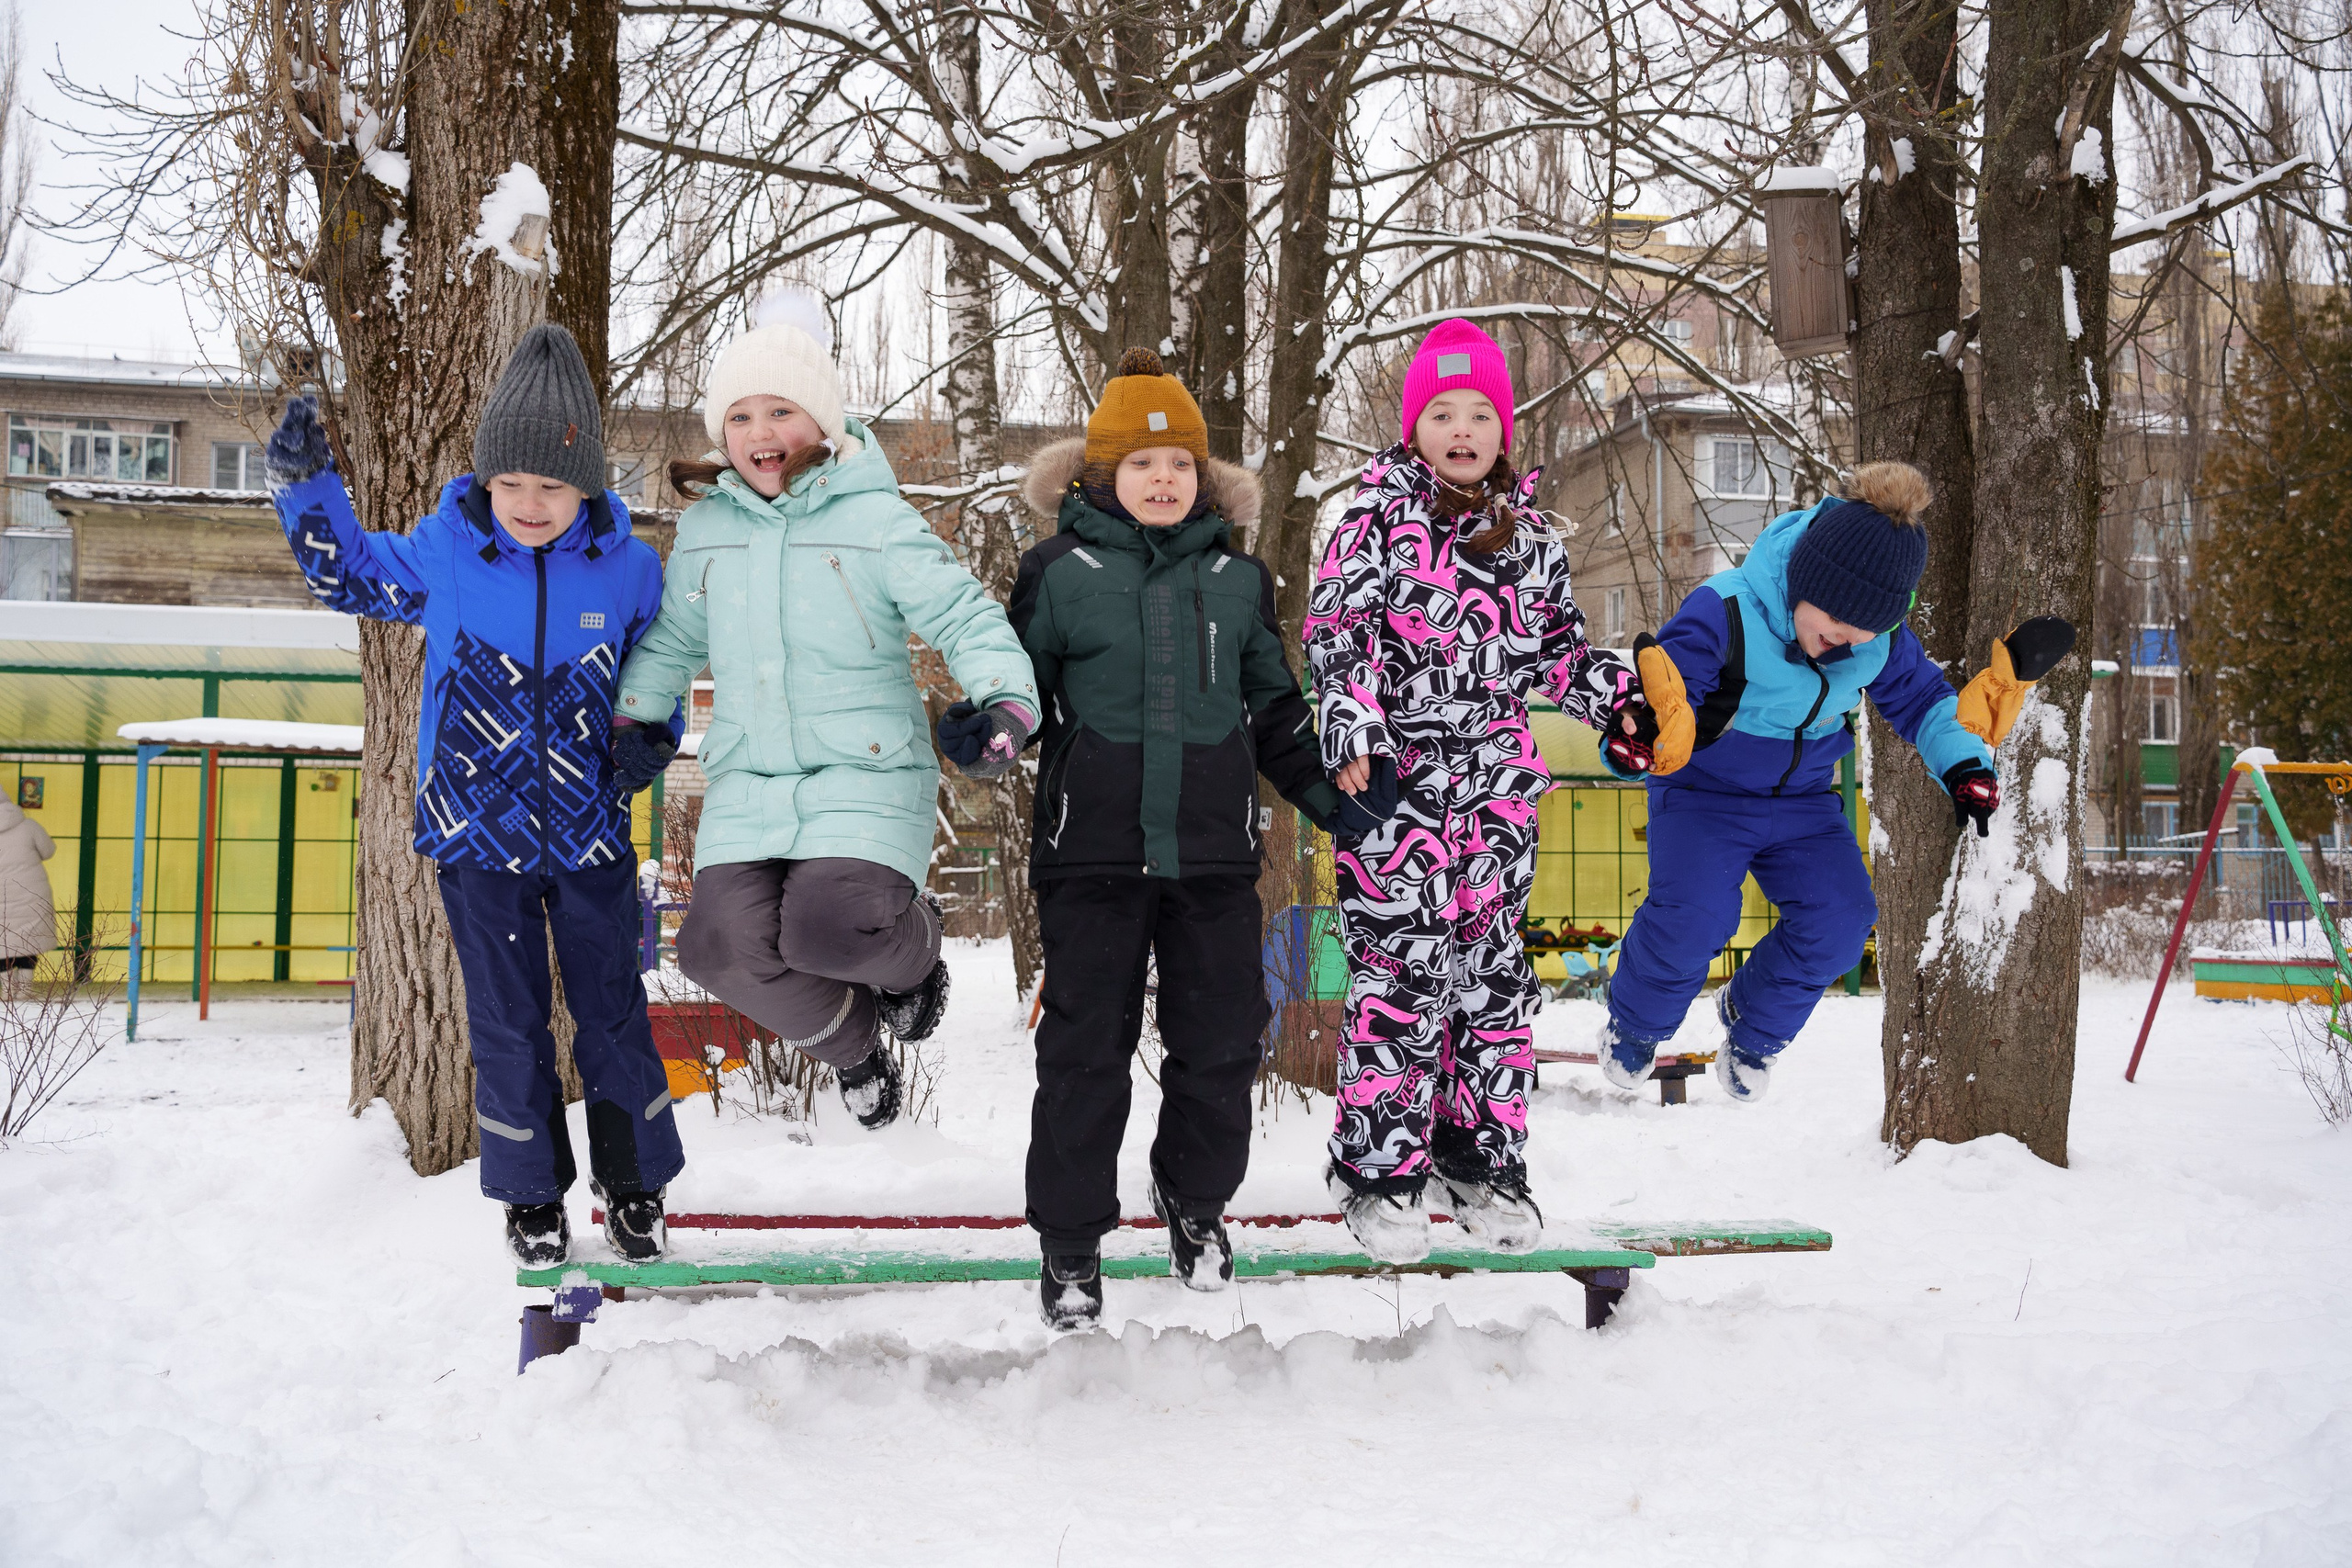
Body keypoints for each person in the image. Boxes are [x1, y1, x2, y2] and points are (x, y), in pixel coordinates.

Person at [266, 324, 684, 1268]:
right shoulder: (447, 552)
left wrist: (651, 736)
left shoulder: (629, 567)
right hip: (475, 836)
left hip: (590, 832)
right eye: (512, 483)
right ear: (487, 480)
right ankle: (530, 1197)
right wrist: (305, 486)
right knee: (507, 1018)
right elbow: (347, 576)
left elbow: (659, 668)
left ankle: (636, 1185)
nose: (530, 504)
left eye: (552, 486)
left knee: (613, 1011)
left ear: (588, 487)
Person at [613, 294, 1035, 1133]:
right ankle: (854, 1047)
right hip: (749, 778)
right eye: (740, 416)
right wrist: (634, 718)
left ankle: (914, 955)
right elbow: (673, 640)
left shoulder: (877, 520)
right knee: (713, 947)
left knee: (829, 928)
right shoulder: (707, 532)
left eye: (781, 410)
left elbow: (962, 614)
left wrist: (1005, 702)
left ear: (823, 420)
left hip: (866, 772)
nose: (760, 431)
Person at [1008, 346, 1350, 1330]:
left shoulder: (1238, 580)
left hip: (1211, 857)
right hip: (1091, 855)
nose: (1163, 479)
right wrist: (986, 729)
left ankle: (1194, 1204)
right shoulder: (1055, 573)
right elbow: (1015, 690)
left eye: (1180, 465)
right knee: (1084, 1054)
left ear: (1203, 477)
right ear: (1100, 475)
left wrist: (1331, 798)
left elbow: (1274, 709)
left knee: (1223, 1042)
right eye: (1141, 464)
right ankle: (1071, 1241)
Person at [1302, 318, 1650, 1266]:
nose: (1462, 428)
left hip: (1496, 795)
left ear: (1504, 430)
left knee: (1492, 981)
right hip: (1396, 794)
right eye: (1443, 412)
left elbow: (1559, 653)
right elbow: (1337, 637)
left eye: (1480, 414)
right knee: (1403, 979)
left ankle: (1480, 1159)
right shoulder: (1372, 522)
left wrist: (1622, 703)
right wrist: (1353, 723)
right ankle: (1377, 1169)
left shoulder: (1530, 539)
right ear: (1415, 425)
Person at [1596, 461, 2013, 1103]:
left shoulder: (1878, 640)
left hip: (1803, 802)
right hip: (1706, 793)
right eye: (1832, 629)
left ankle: (1753, 1024)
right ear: (1807, 581)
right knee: (1698, 917)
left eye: (1860, 636)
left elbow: (1926, 701)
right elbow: (1666, 695)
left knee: (1843, 919)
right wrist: (1639, 738)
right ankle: (1635, 1023)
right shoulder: (1725, 610)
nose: (1843, 646)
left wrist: (1965, 766)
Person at [0, 793, 57, 999]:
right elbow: (48, 851)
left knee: (2, 942)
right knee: (29, 940)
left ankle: (7, 990)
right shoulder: (29, 826)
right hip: (30, 891)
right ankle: (25, 990)